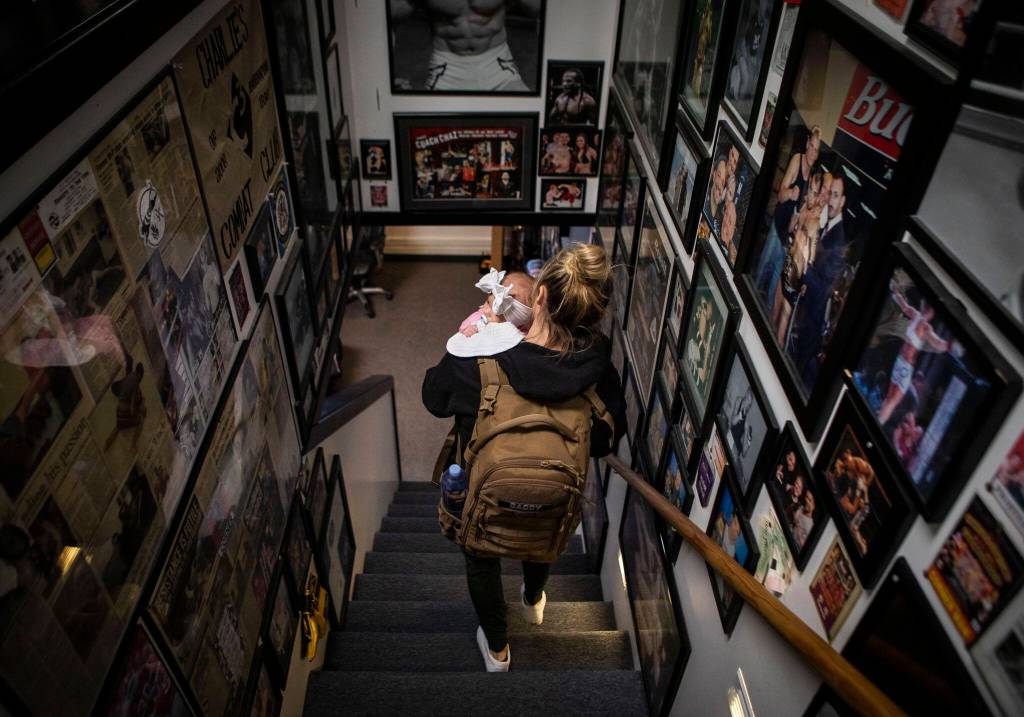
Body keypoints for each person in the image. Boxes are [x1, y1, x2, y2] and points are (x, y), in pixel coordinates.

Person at [422, 244, 625, 672]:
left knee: (481, 558)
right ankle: (533, 599)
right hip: (552, 507)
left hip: (482, 496)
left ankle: (498, 650)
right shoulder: (599, 373)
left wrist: (469, 340)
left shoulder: (477, 360)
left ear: (541, 296)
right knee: (542, 531)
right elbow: (605, 443)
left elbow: (433, 398)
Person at [390, 0, 542, 91]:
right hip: (447, 71)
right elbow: (389, 17)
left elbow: (543, 12)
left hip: (498, 67)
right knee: (431, 131)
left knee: (528, 124)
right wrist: (386, 78)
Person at [754, 126, 820, 314]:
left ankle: (761, 319)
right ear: (807, 143)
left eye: (816, 150)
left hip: (789, 239)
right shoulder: (797, 160)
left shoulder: (811, 176)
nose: (813, 152)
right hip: (777, 228)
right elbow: (781, 194)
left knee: (774, 287)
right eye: (811, 146)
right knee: (761, 273)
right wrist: (791, 193)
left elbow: (803, 209)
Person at [448, 269, 534, 357]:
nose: (485, 310)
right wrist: (467, 330)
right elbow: (463, 328)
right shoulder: (479, 318)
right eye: (488, 302)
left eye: (494, 311)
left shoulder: (522, 334)